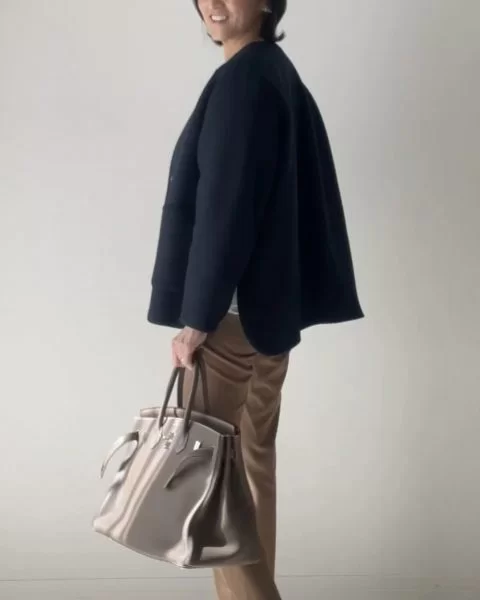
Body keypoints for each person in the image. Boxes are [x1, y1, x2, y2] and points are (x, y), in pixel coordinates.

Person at [147, 1, 364, 598]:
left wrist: (197, 320)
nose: (214, 3)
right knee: (249, 467)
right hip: (268, 318)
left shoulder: (244, 81)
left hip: (229, 321)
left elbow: (227, 206)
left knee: (212, 482)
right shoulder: (276, 72)